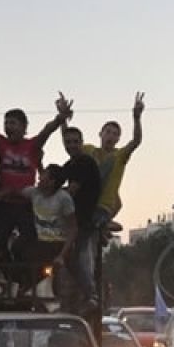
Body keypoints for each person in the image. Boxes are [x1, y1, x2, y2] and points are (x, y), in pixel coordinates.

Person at [0, 96, 73, 256]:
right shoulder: (1, 143)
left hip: (27, 204)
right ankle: (3, 274)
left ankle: (27, 275)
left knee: (30, 241)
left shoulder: (32, 145)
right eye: (6, 123)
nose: (8, 127)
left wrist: (60, 117)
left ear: (24, 127)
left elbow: (47, 130)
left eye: (13, 123)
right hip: (4, 203)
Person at [81, 93, 145, 229]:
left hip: (102, 207)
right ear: (101, 133)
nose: (110, 136)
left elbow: (136, 141)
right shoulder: (89, 150)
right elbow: (70, 145)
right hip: (84, 203)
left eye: (115, 134)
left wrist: (137, 118)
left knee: (95, 225)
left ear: (118, 140)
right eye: (108, 132)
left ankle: (104, 227)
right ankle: (104, 231)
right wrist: (63, 120)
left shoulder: (119, 155)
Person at [59, 126, 104, 311]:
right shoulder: (71, 164)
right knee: (68, 257)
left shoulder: (84, 163)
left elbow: (71, 190)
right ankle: (77, 294)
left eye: (75, 142)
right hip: (72, 221)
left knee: (79, 259)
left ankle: (90, 295)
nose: (71, 146)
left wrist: (54, 196)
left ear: (82, 143)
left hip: (84, 221)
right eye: (68, 142)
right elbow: (55, 178)